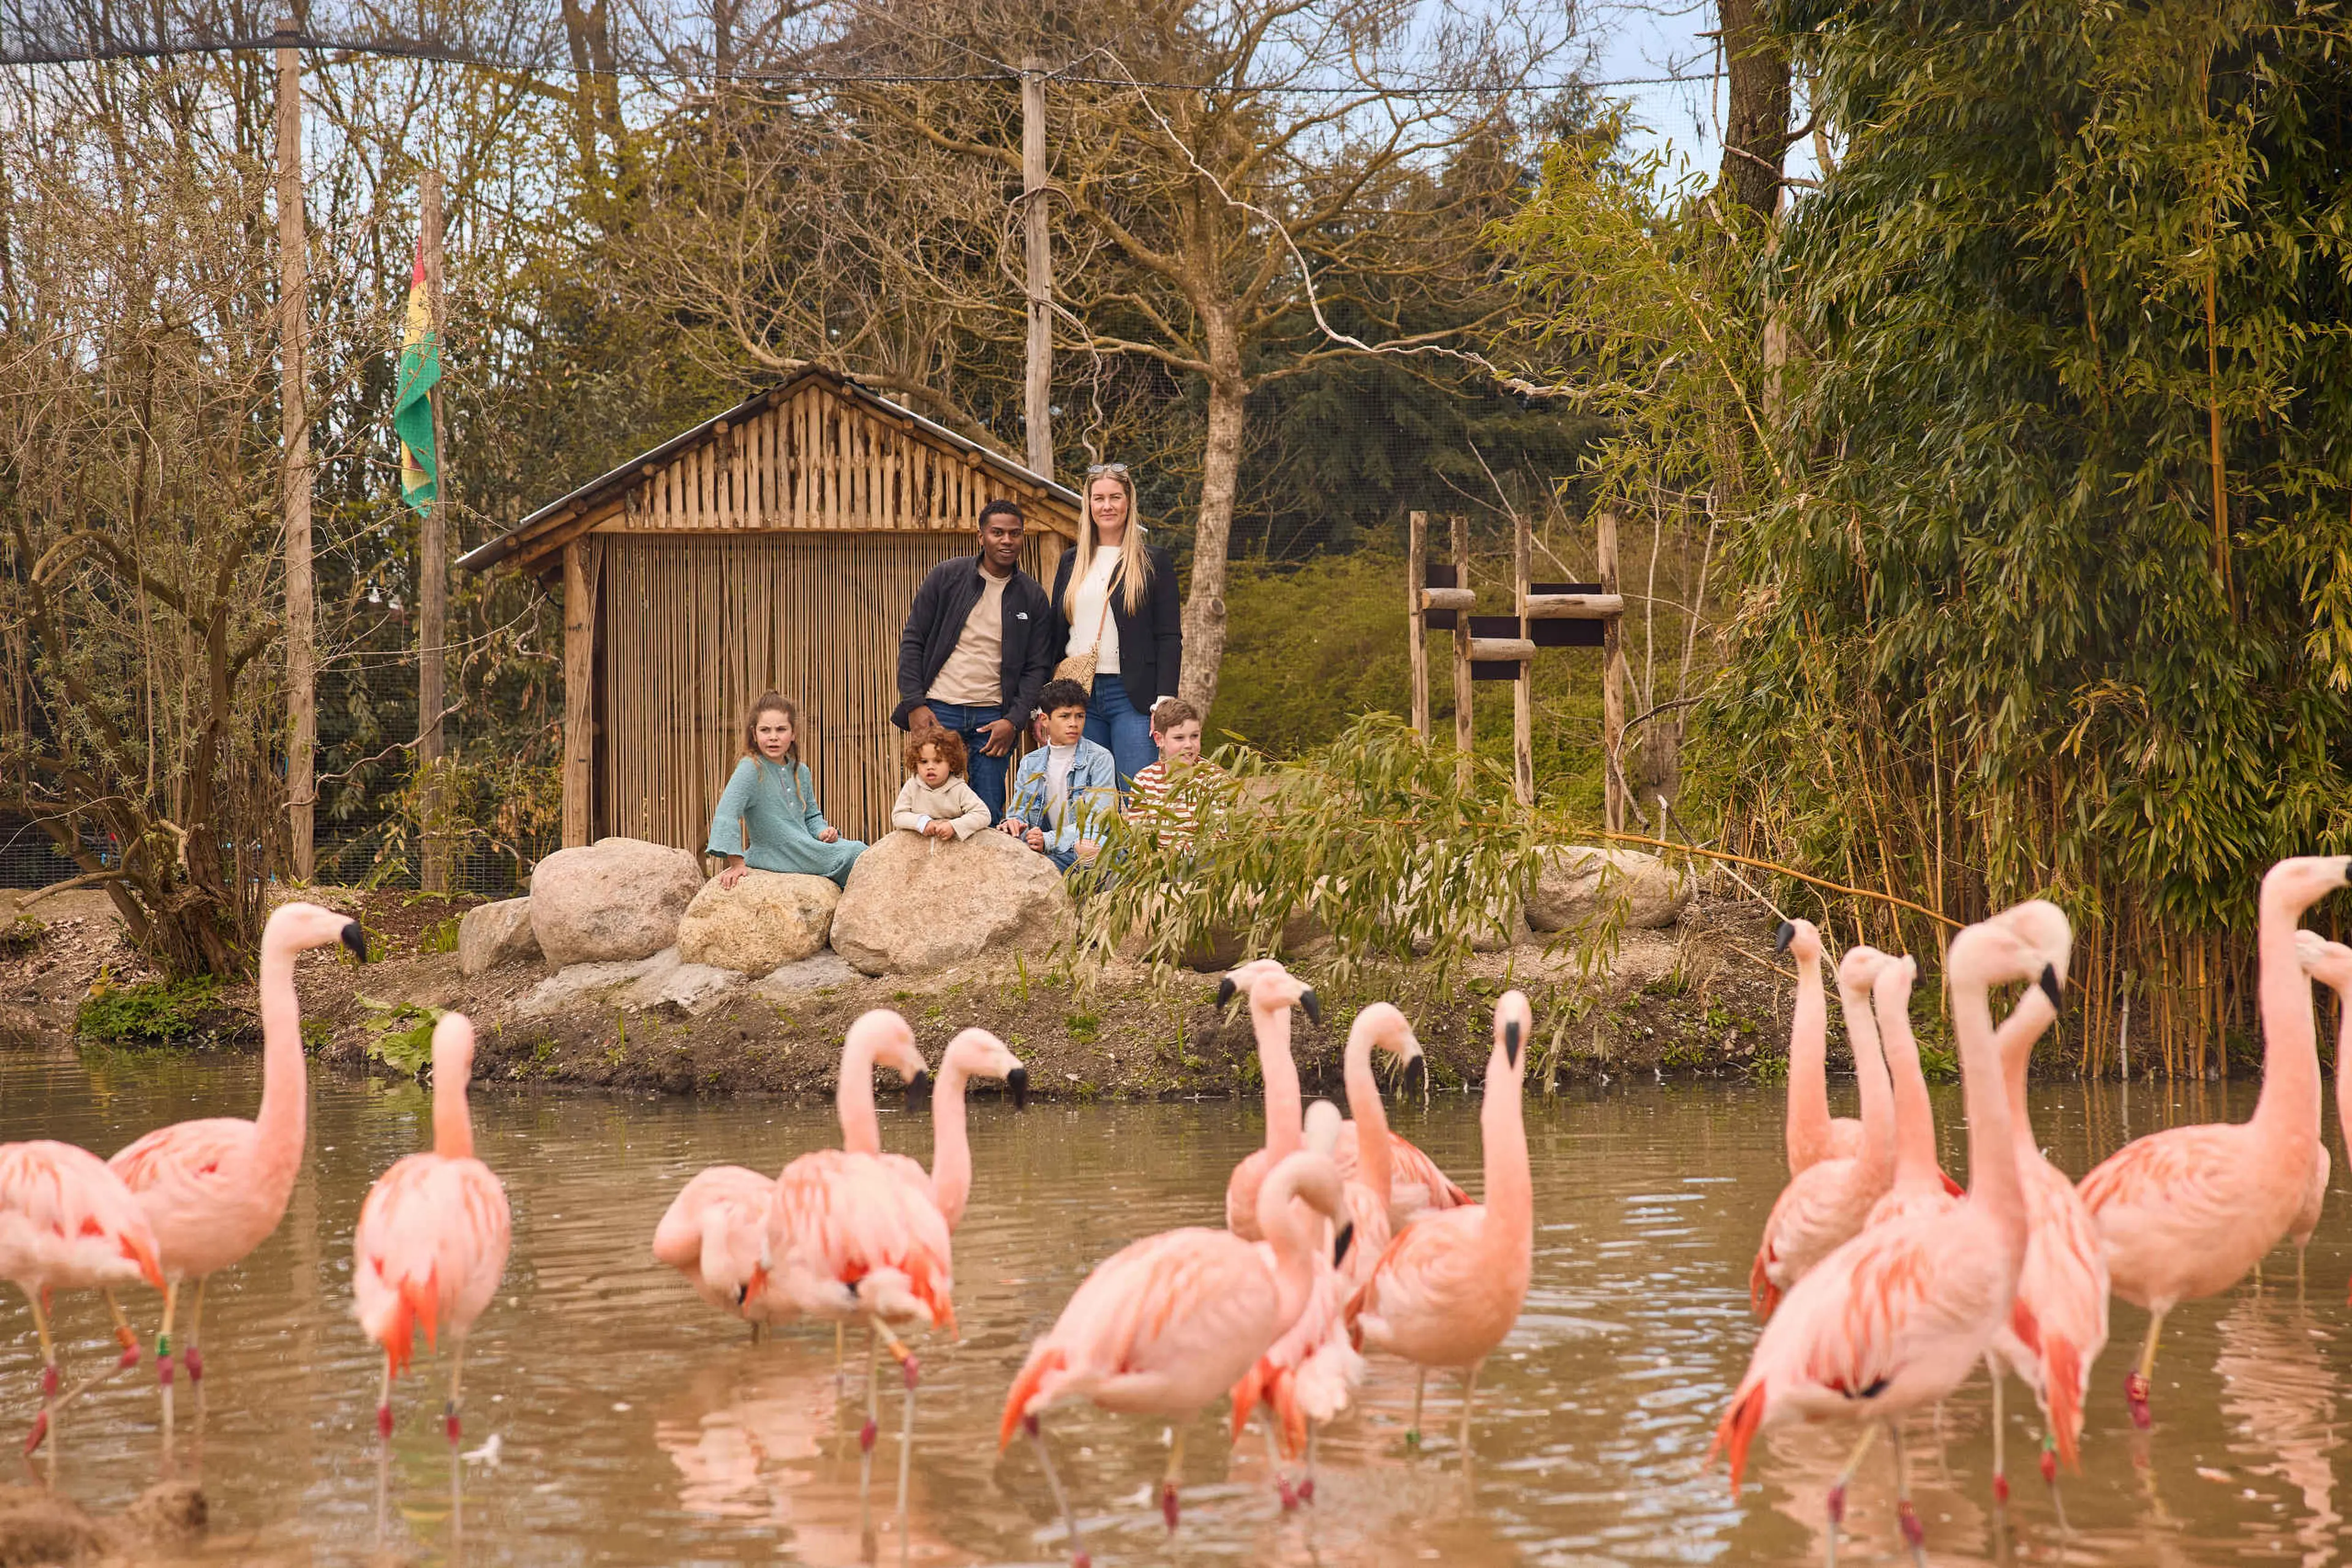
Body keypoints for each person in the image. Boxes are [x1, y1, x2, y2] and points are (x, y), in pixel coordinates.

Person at [894, 497, 1055, 822]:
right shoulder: (947, 577)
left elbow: (1038, 666)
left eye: (1015, 534)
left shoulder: (1032, 596)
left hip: (993, 718)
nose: (1007, 540)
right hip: (939, 709)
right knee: (928, 806)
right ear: (980, 536)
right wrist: (914, 703)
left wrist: (1014, 720)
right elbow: (913, 640)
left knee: (986, 811)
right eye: (997, 532)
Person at [1046, 463, 1182, 793]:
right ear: (1088, 505)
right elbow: (1055, 633)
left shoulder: (1154, 561)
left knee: (1137, 795)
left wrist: (1164, 699)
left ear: (1128, 502)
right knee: (1087, 797)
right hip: (1079, 694)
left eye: (1115, 497)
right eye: (1099, 498)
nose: (1107, 506)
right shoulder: (1071, 561)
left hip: (1132, 696)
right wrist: (1045, 703)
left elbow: (1169, 636)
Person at [708, 693, 865, 888]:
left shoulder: (801, 771)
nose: (773, 737)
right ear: (754, 734)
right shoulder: (751, 768)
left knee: (862, 852)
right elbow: (727, 813)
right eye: (765, 730)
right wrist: (736, 862)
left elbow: (811, 816)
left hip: (805, 846)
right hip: (774, 854)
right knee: (855, 854)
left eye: (781, 729)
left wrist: (823, 832)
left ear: (793, 734)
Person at [1000, 679, 1118, 873]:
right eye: (1065, 716)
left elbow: (1098, 823)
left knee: (1093, 850)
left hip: (1081, 847)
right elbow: (1018, 814)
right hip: (1044, 847)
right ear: (1045, 719)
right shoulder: (1030, 763)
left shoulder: (1100, 758)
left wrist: (1047, 840)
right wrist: (1013, 825)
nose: (1074, 724)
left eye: (1080, 716)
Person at [1126, 697, 1221, 850]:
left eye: (1195, 736)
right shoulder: (1144, 780)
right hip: (1157, 867)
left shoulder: (1214, 778)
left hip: (1201, 863)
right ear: (1159, 739)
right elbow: (1139, 839)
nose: (1189, 745)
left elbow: (1218, 836)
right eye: (1179, 738)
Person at [891, 728, 992, 843]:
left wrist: (954, 826)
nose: (930, 767)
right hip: (917, 845)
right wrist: (923, 823)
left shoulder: (959, 788)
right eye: (924, 762)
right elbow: (898, 816)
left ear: (952, 764)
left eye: (938, 761)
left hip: (954, 847)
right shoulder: (912, 786)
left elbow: (983, 815)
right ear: (915, 763)